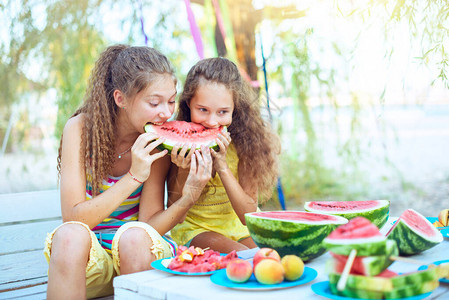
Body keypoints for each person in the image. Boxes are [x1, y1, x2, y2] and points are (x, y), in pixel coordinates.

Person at [44, 45, 212, 299]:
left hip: (139, 254)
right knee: (68, 236)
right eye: (154, 102)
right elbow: (74, 218)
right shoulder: (79, 130)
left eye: (170, 101)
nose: (166, 113)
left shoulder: (156, 141)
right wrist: (134, 176)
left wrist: (189, 196)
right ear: (120, 99)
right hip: (91, 260)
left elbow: (148, 225)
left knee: (134, 237)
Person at [167, 57, 281, 253]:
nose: (212, 121)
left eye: (222, 112)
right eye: (202, 110)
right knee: (243, 257)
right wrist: (183, 168)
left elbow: (247, 216)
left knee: (272, 257)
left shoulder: (247, 144)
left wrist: (222, 166)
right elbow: (177, 215)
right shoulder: (177, 143)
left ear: (235, 108)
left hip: (241, 227)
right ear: (188, 105)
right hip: (196, 229)